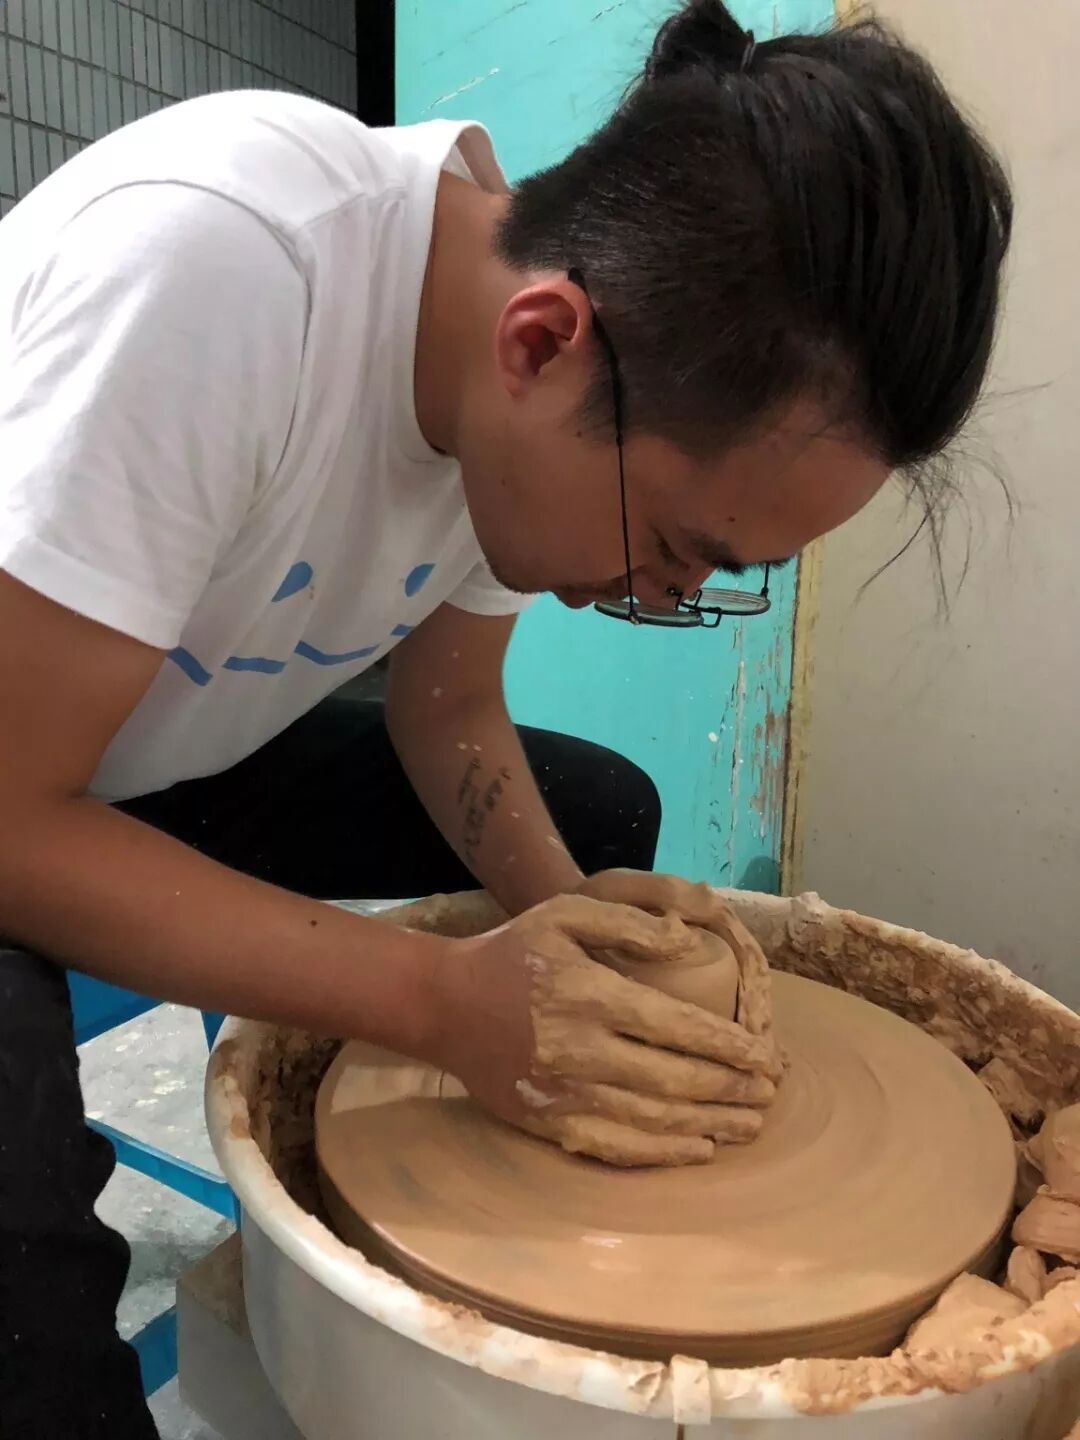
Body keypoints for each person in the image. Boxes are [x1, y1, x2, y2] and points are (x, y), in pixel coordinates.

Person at [0, 0, 1012, 1434]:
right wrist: (440, 1002)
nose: (659, 590)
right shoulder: (220, 273)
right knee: (31, 1307)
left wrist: (579, 935)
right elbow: (13, 818)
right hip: (17, 780)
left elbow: (450, 704)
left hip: (130, 741)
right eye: (678, 546)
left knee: (599, 822)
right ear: (545, 346)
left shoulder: (524, 351)